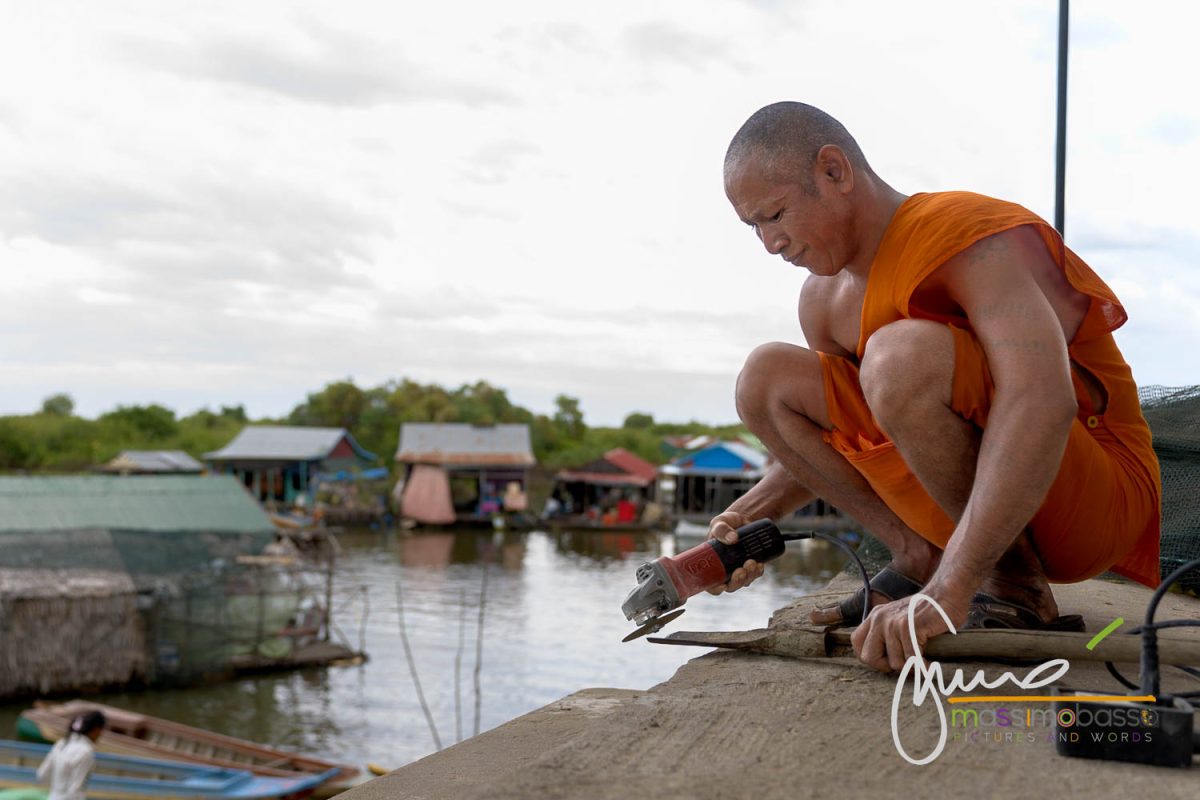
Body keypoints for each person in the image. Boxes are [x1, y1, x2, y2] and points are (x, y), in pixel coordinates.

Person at [708, 102, 1160, 674]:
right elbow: (843, 436)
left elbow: (1042, 399)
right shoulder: (822, 301)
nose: (771, 243)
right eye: (755, 227)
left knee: (898, 358)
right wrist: (746, 515)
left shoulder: (967, 234)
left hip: (1093, 497)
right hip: (972, 515)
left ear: (834, 171)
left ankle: (1015, 586)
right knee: (764, 378)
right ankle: (915, 554)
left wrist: (955, 586)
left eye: (775, 215)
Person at [36, 710, 106, 800]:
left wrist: (58, 789)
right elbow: (75, 790)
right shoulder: (86, 752)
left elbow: (41, 775)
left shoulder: (62, 743)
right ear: (96, 730)